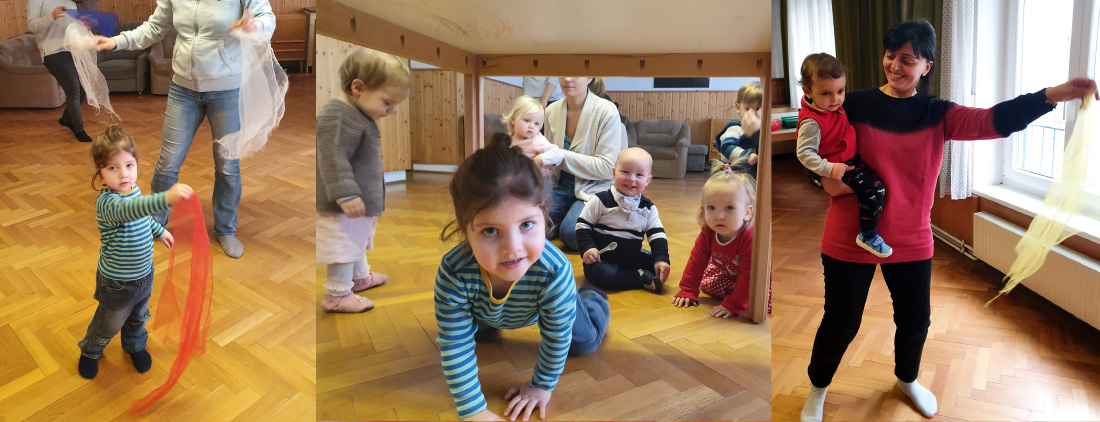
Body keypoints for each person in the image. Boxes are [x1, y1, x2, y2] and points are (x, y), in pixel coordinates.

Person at [798, 19, 1098, 422]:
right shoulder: (854, 103)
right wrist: (823, 183)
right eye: (891, 56)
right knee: (841, 320)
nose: (895, 65)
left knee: (915, 320)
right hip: (850, 237)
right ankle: (817, 389)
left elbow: (994, 120)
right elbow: (814, 143)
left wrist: (1053, 95)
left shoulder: (939, 114)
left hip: (910, 238)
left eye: (907, 59)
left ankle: (907, 379)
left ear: (927, 66)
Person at [434, 134, 610, 421]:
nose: (512, 248)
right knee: (472, 334)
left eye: (526, 224)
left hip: (553, 302)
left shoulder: (555, 270)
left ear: (544, 216)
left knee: (585, 342)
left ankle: (591, 298)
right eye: (490, 230)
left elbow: (556, 337)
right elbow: (454, 344)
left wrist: (541, 386)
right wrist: (473, 411)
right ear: (465, 231)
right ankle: (492, 322)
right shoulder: (454, 271)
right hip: (492, 310)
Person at [94, 1, 276, 258]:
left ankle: (225, 229)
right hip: (182, 90)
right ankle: (155, 224)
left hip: (226, 90)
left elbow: (267, 18)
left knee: (227, 164)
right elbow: (155, 27)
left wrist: (255, 25)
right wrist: (117, 42)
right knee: (168, 162)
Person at [78, 125, 194, 379]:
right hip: (117, 282)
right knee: (108, 323)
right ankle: (90, 350)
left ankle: (135, 345)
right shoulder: (108, 202)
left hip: (144, 274)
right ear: (100, 173)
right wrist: (165, 198)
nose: (123, 175)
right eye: (113, 168)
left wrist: (159, 231)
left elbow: (143, 218)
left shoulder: (135, 191)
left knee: (138, 316)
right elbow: (131, 212)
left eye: (129, 165)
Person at [316, 48, 411, 313]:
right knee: (343, 246)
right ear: (358, 87)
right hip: (340, 203)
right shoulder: (337, 115)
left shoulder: (357, 113)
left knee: (355, 239)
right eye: (387, 103)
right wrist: (344, 193)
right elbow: (331, 157)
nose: (391, 111)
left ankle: (358, 278)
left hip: (354, 200)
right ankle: (336, 295)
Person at [796, 53, 891, 258]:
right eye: (826, 93)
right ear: (808, 92)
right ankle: (868, 235)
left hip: (846, 160)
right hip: (836, 165)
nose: (836, 99)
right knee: (876, 188)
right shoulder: (812, 122)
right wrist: (828, 170)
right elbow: (804, 153)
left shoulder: (832, 107)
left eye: (840, 91)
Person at [537, 76, 627, 251]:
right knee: (525, 223)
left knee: (571, 234)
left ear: (589, 76)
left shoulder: (606, 110)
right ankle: (565, 217)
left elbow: (608, 167)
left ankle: (569, 221)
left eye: (575, 72)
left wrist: (559, 156)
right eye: (563, 72)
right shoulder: (551, 111)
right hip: (558, 188)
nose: (567, 78)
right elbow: (547, 156)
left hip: (593, 189)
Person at [672, 161, 760, 318]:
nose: (719, 216)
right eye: (711, 208)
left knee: (759, 298)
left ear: (747, 212)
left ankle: (738, 296)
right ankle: (733, 291)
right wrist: (688, 289)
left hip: (754, 279)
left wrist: (734, 304)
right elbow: (696, 261)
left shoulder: (749, 237)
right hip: (728, 273)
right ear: (703, 210)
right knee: (707, 283)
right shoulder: (708, 232)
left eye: (729, 208)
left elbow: (749, 275)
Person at [576, 147, 670, 292]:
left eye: (639, 175)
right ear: (614, 173)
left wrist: (661, 259)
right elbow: (582, 226)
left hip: (631, 257)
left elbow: (657, 235)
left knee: (658, 264)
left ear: (648, 180)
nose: (631, 179)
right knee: (605, 275)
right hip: (601, 260)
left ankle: (642, 273)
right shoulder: (600, 200)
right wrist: (588, 248)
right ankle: (638, 278)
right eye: (625, 172)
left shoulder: (648, 208)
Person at [27, 0, 95, 142]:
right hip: (52, 51)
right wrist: (51, 16)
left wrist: (85, 26)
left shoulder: (70, 2)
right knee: (73, 89)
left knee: (84, 89)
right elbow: (32, 25)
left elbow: (74, 29)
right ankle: (79, 129)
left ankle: (66, 118)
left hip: (72, 50)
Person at [715, 81, 764, 166]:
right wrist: (747, 156)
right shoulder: (735, 127)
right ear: (738, 108)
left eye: (758, 109)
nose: (752, 114)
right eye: (748, 109)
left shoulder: (761, 132)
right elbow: (726, 147)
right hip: (734, 174)